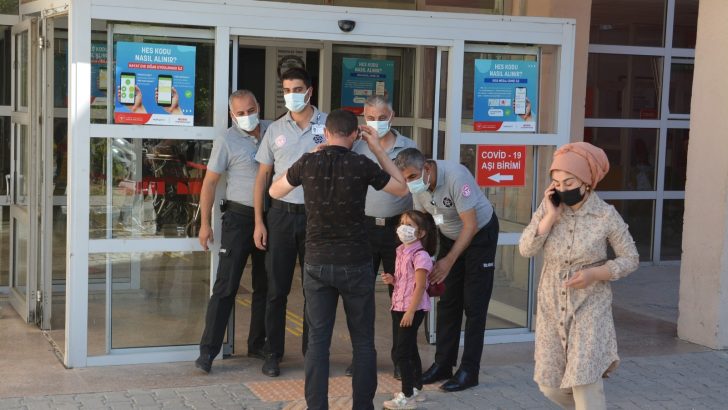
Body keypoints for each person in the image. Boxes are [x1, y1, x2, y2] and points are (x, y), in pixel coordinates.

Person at [269, 109, 408, 410]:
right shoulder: (362, 164)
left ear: (327, 132)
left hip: (316, 262)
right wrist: (377, 150)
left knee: (318, 342)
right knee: (362, 341)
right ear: (356, 135)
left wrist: (308, 155)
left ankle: (316, 406)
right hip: (356, 262)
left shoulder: (308, 162)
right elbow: (401, 187)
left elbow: (274, 189)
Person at [518, 142, 639, 409]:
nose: (562, 188)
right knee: (548, 384)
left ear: (586, 183)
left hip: (590, 304)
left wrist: (596, 273)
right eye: (556, 181)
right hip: (552, 303)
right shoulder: (548, 207)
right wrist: (549, 217)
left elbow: (631, 258)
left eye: (569, 181)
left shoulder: (606, 215)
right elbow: (526, 249)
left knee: (585, 381)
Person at [394, 148, 499, 392]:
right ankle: (443, 364)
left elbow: (470, 225)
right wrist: (422, 259)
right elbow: (423, 224)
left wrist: (448, 261)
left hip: (479, 235)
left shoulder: (456, 177)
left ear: (427, 168)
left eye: (412, 176)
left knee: (474, 305)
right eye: (405, 179)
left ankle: (469, 370)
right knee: (448, 301)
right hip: (450, 237)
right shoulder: (418, 189)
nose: (410, 183)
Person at [253, 67, 327, 377]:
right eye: (286, 90)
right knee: (276, 290)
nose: (291, 95)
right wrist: (259, 220)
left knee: (315, 290)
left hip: (316, 217)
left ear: (310, 91)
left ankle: (313, 354)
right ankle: (273, 354)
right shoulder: (274, 129)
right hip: (281, 216)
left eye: (297, 89)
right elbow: (262, 177)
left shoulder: (328, 125)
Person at [195, 90, 270, 373]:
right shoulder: (227, 139)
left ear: (258, 106)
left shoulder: (274, 132)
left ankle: (257, 343)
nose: (247, 116)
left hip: (270, 218)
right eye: (240, 112)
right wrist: (205, 224)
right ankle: (208, 352)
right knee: (226, 286)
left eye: (251, 109)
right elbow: (210, 183)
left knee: (266, 285)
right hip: (239, 219)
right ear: (232, 115)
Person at [347, 95, 418, 379]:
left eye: (381, 117)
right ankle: (362, 358)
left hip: (398, 232)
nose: (376, 123)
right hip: (363, 228)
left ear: (392, 115)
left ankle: (402, 360)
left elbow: (416, 189)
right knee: (359, 299)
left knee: (401, 299)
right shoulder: (356, 145)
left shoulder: (408, 147)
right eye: (370, 117)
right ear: (364, 117)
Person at [381, 210, 437, 410]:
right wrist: (392, 280)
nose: (403, 227)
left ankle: (406, 395)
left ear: (420, 233)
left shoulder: (421, 256)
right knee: (410, 349)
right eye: (402, 223)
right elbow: (406, 280)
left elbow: (420, 286)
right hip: (399, 305)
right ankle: (417, 389)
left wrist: (411, 312)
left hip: (411, 309)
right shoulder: (400, 251)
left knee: (401, 353)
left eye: (409, 225)